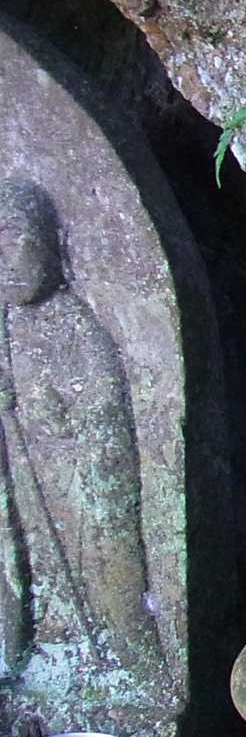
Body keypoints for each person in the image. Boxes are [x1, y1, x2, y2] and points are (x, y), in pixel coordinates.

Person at [0, 179, 157, 675]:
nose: (6, 260)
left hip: (79, 493)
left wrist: (60, 417)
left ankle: (124, 652)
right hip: (26, 498)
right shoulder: (5, 330)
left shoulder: (77, 327)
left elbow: (106, 415)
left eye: (17, 238)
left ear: (54, 245)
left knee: (104, 575)